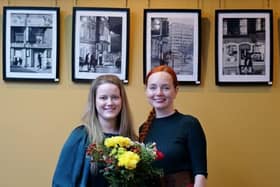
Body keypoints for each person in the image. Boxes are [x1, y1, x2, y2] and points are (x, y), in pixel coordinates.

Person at [52, 75, 137, 187]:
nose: (110, 102)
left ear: (122, 101)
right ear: (94, 101)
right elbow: (61, 182)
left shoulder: (132, 140)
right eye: (103, 98)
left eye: (115, 97)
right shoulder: (80, 137)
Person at [139, 65, 207, 187]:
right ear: (146, 91)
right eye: (153, 88)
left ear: (176, 91)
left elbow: (200, 174)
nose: (159, 93)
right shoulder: (143, 129)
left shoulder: (189, 124)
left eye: (165, 88)